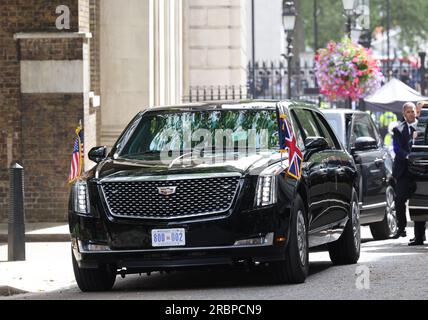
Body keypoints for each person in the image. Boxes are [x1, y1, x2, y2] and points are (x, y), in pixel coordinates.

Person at [392, 102, 418, 239]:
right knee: (400, 200)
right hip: (403, 171)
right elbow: (396, 148)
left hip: (419, 171)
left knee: (418, 202)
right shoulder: (398, 129)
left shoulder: (422, 127)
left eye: (413, 111)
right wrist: (408, 156)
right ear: (404, 114)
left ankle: (419, 234)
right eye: (408, 112)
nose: (411, 114)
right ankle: (401, 228)